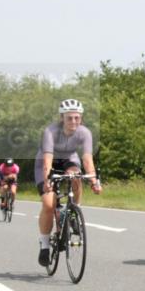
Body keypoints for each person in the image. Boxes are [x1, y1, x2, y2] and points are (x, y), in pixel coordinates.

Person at [36, 99, 103, 266]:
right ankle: (44, 245)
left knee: (76, 176)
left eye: (77, 117)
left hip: (68, 160)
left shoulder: (84, 132)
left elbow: (87, 159)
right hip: (47, 162)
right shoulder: (50, 132)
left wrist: (94, 181)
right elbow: (48, 160)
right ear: (62, 118)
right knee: (49, 204)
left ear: (81, 118)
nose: (73, 121)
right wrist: (47, 180)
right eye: (69, 118)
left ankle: (74, 211)